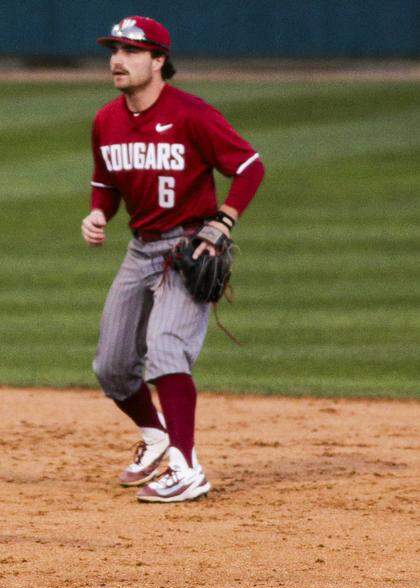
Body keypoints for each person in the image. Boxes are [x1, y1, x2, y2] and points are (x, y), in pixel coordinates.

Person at [83, 18, 265, 502]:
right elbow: (106, 182)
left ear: (159, 59)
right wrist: (98, 214)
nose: (117, 60)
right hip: (139, 248)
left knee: (166, 348)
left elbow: (248, 167)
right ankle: (156, 434)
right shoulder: (106, 120)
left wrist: (223, 221)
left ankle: (186, 467)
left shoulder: (191, 114)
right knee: (113, 367)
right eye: (114, 50)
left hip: (187, 248)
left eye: (130, 50)